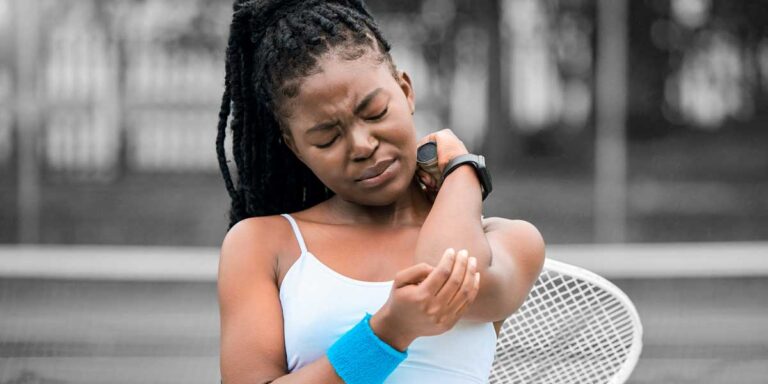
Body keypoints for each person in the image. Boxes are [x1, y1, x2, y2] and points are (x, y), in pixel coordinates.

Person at [214, 1, 545, 383]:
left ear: (405, 91)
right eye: (326, 138)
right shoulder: (262, 244)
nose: (361, 145)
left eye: (374, 113)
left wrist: (463, 169)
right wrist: (387, 333)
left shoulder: (507, 243)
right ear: (294, 147)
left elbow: (445, 272)